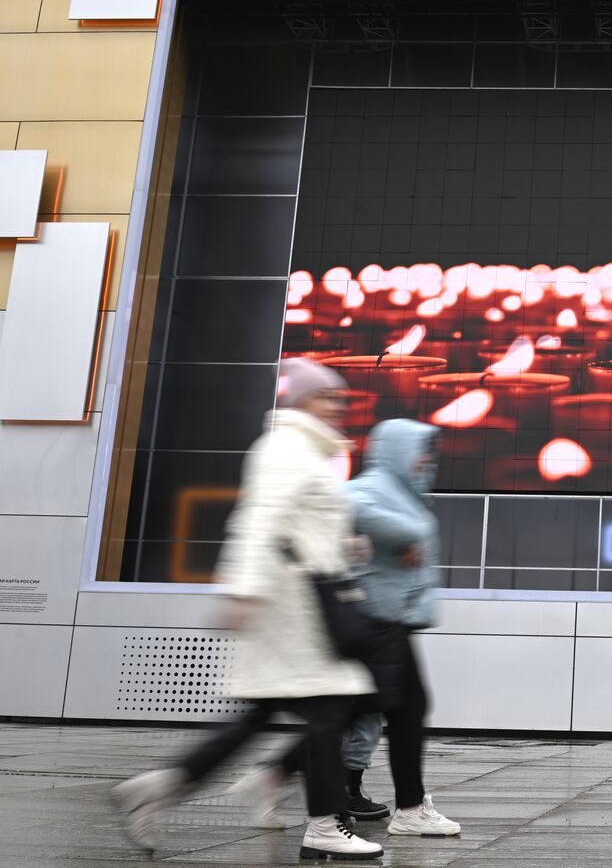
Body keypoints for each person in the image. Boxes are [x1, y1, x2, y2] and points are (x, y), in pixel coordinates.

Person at [111, 358, 383, 861]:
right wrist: (244, 590)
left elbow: (298, 524)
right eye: (329, 397)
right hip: (293, 608)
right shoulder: (287, 448)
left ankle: (163, 786)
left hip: (296, 602)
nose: (339, 407)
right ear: (303, 399)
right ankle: (322, 824)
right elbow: (258, 522)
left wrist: (346, 548)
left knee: (265, 712)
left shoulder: (304, 449)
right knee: (327, 710)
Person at [238, 418, 459, 838]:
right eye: (421, 450)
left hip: (393, 620)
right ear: (398, 451)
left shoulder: (405, 491)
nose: (427, 459)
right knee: (397, 710)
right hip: (375, 621)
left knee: (363, 709)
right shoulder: (374, 485)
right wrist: (405, 535)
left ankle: (275, 775)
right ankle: (409, 808)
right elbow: (350, 505)